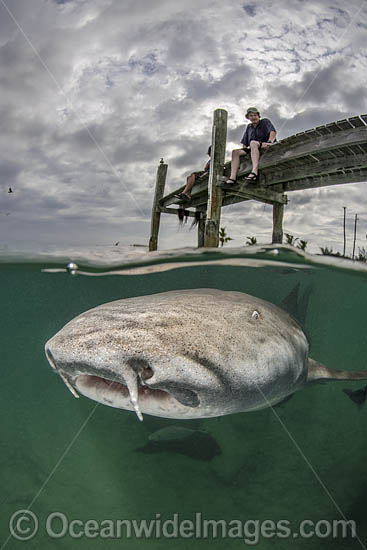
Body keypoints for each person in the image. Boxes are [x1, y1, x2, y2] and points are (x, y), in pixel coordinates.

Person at [226, 107, 277, 184]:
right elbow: (244, 143)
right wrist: (243, 154)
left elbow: (273, 132)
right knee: (235, 152)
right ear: (248, 117)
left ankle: (254, 173)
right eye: (251, 116)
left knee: (253, 142)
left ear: (258, 116)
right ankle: (232, 178)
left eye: (255, 115)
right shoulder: (249, 127)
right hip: (253, 148)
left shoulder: (265, 121)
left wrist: (270, 142)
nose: (253, 117)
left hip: (264, 144)